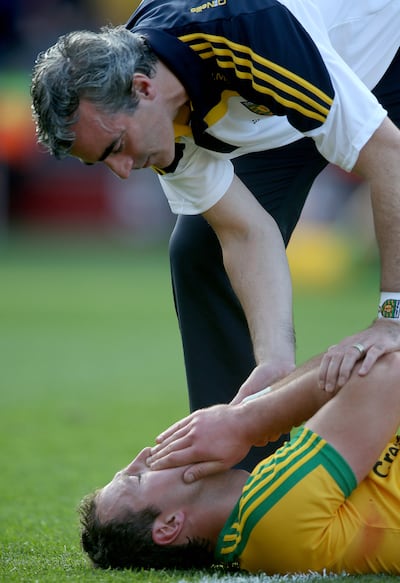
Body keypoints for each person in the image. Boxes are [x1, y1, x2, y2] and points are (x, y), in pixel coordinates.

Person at [31, 0, 400, 471]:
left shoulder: (248, 32)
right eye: (102, 161)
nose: (122, 171)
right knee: (200, 250)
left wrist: (392, 317)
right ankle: (245, 476)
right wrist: (273, 363)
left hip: (382, 51)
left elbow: (389, 157)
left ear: (143, 88)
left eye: (117, 149)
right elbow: (244, 231)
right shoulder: (147, 96)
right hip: (279, 104)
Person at [79, 350, 400, 574]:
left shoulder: (255, 529)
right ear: (170, 525)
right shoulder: (268, 512)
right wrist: (246, 419)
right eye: (136, 478)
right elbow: (384, 366)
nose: (143, 455)